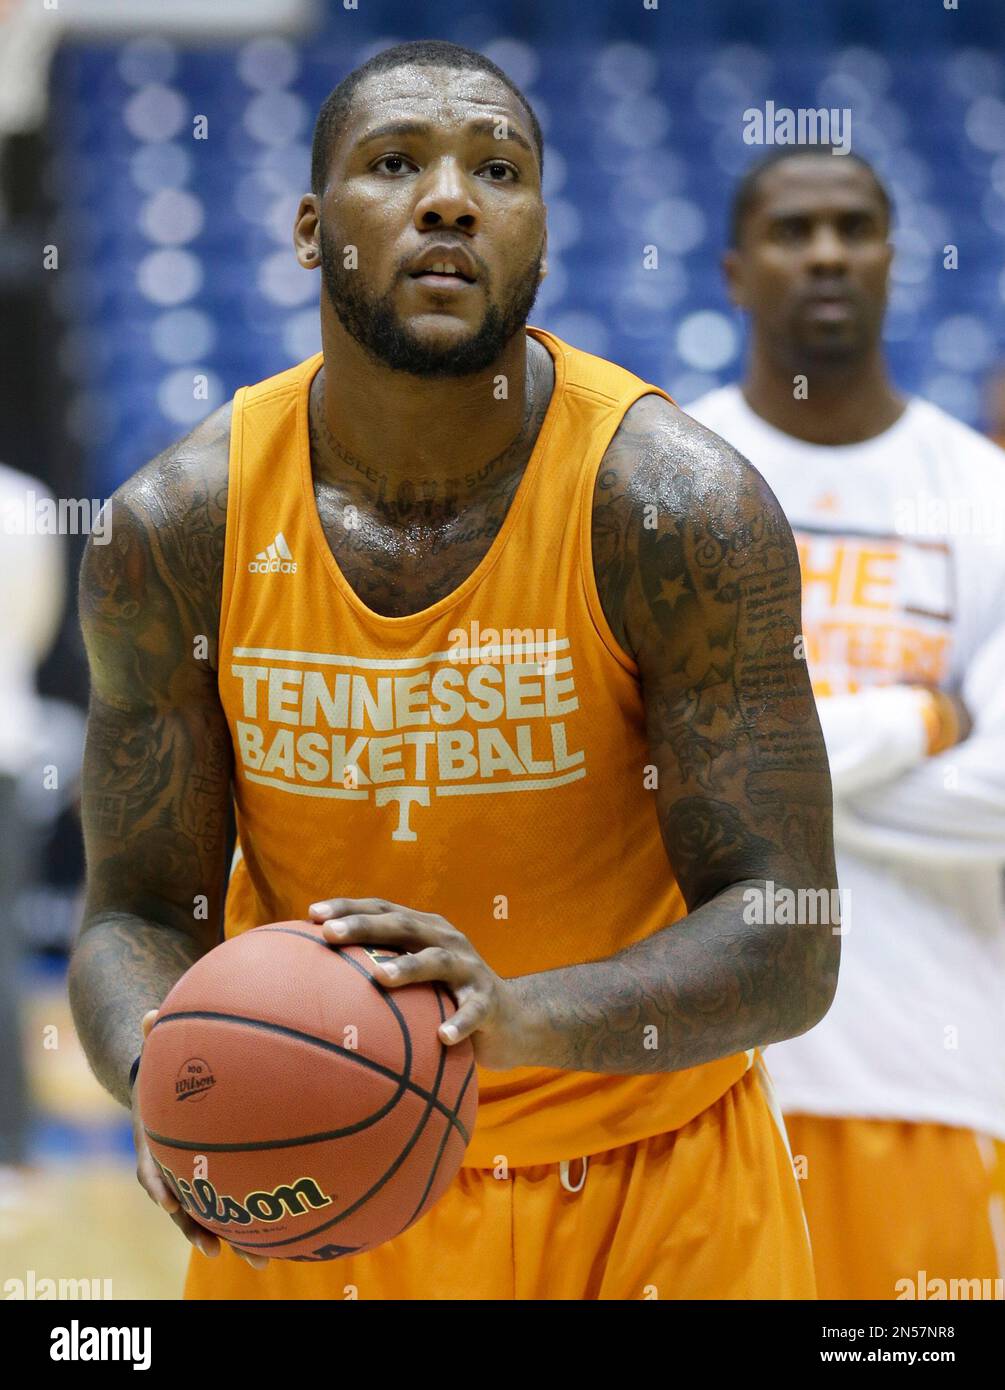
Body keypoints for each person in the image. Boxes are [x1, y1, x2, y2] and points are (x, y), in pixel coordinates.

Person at [69, 40, 839, 1301]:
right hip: (314, 1197)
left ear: (540, 236)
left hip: (651, 1185)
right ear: (312, 230)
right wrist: (165, 1074)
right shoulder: (181, 527)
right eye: (395, 163)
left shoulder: (675, 508)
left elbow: (792, 931)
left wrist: (502, 1016)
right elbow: (134, 912)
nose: (450, 196)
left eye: (498, 168)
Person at [686, 146, 1005, 1300]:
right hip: (695, 1083)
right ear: (734, 269)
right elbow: (647, 769)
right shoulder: (665, 480)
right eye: (792, 229)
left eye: (854, 226)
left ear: (892, 257)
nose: (826, 251)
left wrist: (750, 787)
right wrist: (929, 716)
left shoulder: (986, 497)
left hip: (927, 1078)